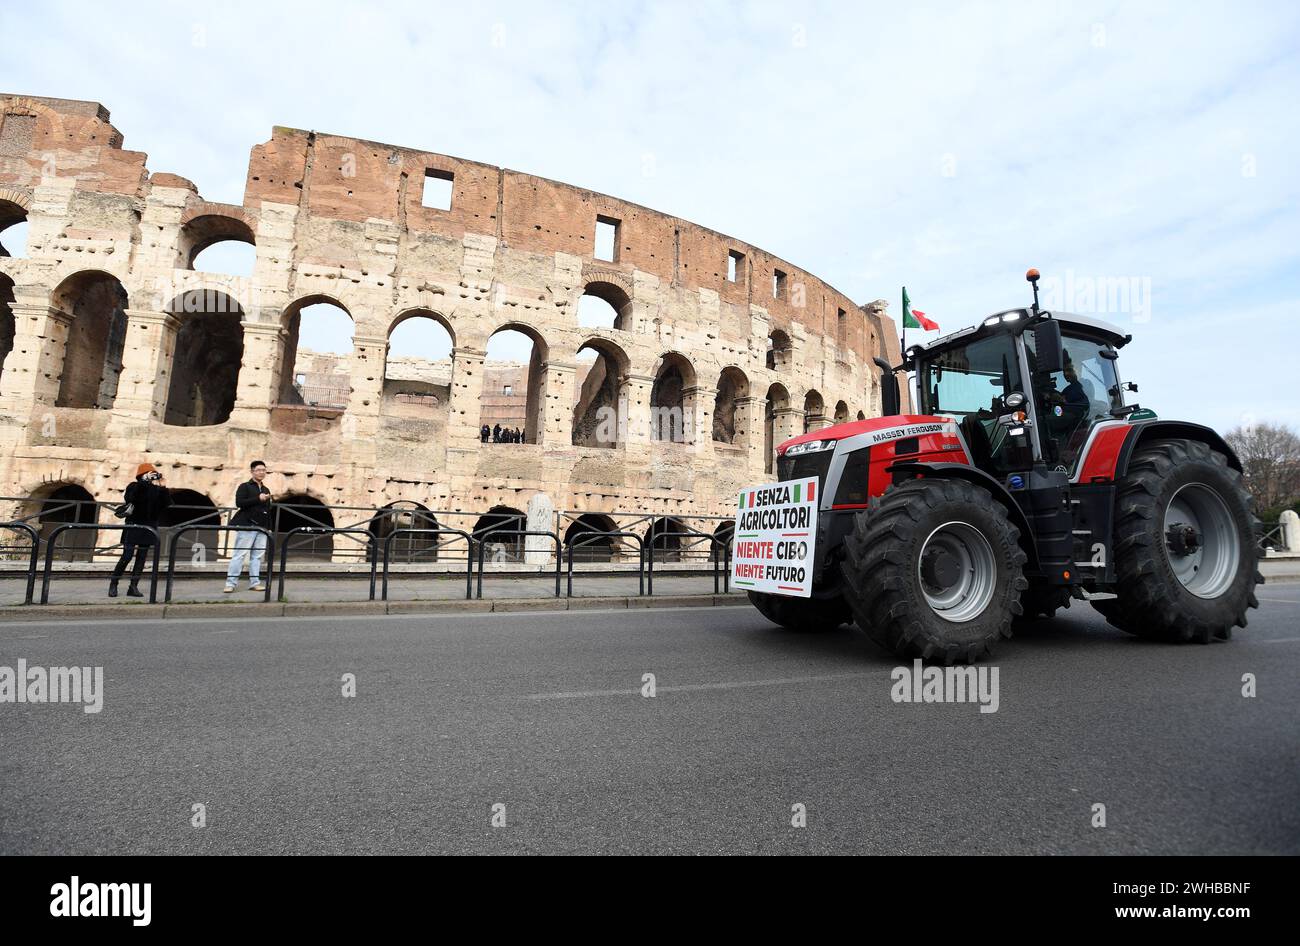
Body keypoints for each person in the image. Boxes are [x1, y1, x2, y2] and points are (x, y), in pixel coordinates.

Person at [109, 463, 171, 598]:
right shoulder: (134, 486)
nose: (152, 475)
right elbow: (131, 498)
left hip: (149, 526)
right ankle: (114, 584)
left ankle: (133, 587)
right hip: (134, 524)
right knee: (127, 556)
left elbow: (167, 504)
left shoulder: (157, 489)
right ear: (142, 475)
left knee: (141, 558)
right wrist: (144, 482)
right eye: (149, 473)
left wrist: (163, 487)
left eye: (153, 473)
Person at [225, 460, 273, 593]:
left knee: (257, 556)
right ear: (252, 472)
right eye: (258, 470)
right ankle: (230, 583)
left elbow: (267, 510)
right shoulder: (244, 486)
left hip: (262, 527)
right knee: (239, 555)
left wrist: (268, 527)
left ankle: (255, 582)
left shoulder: (266, 489)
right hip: (247, 524)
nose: (261, 472)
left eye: (263, 470)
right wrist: (258, 498)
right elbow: (239, 503)